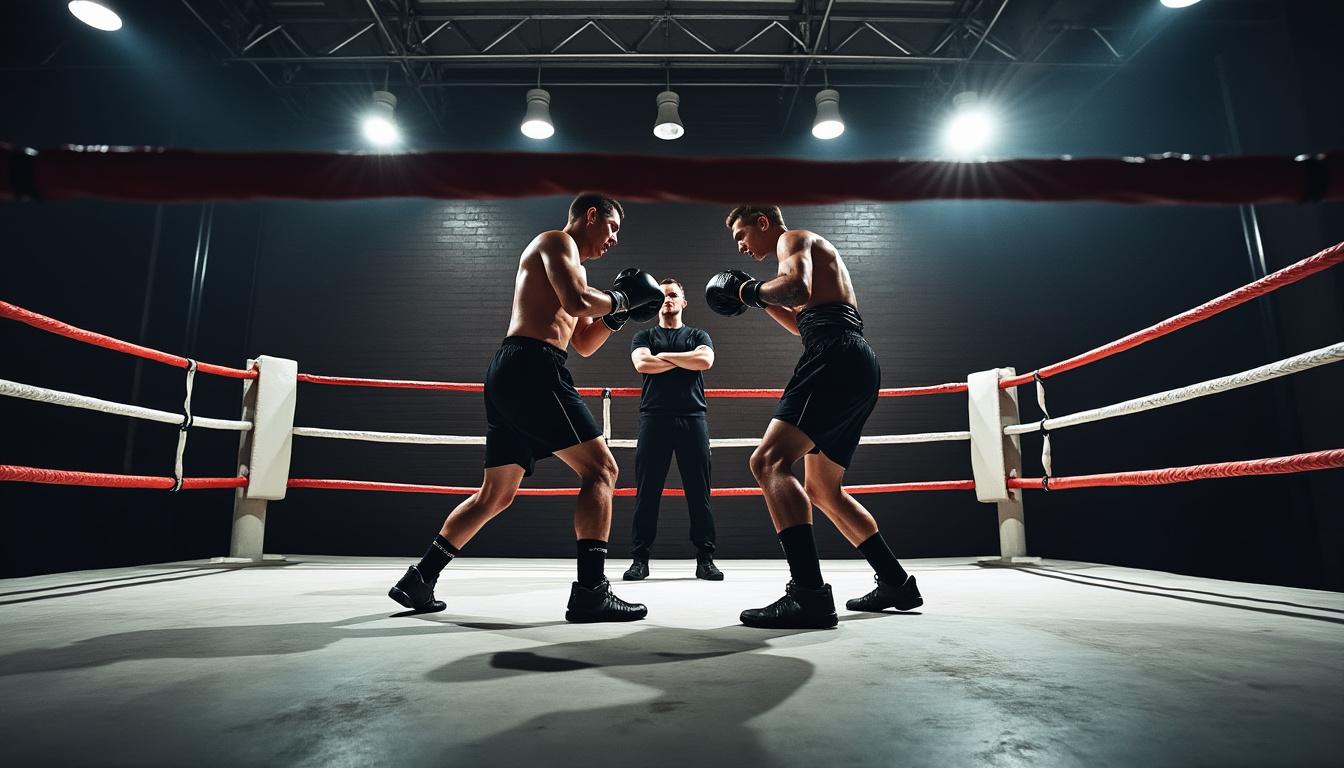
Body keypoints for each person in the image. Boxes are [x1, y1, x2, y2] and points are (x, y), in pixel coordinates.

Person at [389, 193, 666, 623]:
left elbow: (585, 343)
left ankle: (419, 579)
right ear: (591, 216)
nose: (613, 237)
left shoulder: (578, 267)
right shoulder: (556, 242)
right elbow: (576, 301)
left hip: (517, 372)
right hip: (533, 366)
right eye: (611, 227)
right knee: (602, 471)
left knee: (494, 496)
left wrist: (619, 315)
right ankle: (591, 592)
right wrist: (622, 300)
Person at [705, 205, 923, 629]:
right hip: (852, 358)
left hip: (834, 357)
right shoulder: (803, 254)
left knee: (768, 462)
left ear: (763, 222)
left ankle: (808, 594)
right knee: (824, 490)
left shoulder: (793, 239)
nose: (742, 246)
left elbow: (797, 290)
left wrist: (750, 291)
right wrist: (754, 298)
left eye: (742, 235)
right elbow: (802, 318)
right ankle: (897, 582)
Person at [623, 278, 723, 582]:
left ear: (683, 302)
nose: (668, 299)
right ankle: (640, 559)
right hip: (655, 418)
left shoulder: (697, 334)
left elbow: (705, 360)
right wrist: (684, 361)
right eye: (663, 296)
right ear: (656, 303)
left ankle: (705, 559)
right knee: (647, 491)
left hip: (693, 418)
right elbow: (642, 365)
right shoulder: (643, 335)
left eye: (673, 295)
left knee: (699, 492)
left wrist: (662, 357)